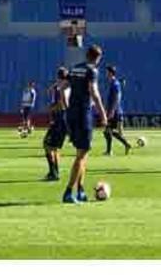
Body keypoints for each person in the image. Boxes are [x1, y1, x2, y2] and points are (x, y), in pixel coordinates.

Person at [63, 45, 108, 204]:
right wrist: (103, 114)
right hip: (83, 114)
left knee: (83, 152)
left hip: (72, 114)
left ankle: (80, 190)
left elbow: (63, 88)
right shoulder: (91, 71)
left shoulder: (75, 68)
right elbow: (94, 93)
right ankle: (68, 192)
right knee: (81, 154)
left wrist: (68, 106)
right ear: (98, 58)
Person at [43, 67, 70, 181]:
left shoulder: (60, 89)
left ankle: (53, 172)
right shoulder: (67, 87)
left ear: (58, 77)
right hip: (63, 120)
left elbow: (61, 104)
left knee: (47, 145)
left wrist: (51, 108)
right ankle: (55, 172)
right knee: (55, 148)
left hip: (59, 119)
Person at [103, 65, 132, 156]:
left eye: (107, 72)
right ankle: (123, 145)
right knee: (108, 131)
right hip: (112, 110)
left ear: (110, 73)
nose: (106, 74)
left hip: (115, 111)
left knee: (108, 131)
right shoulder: (113, 83)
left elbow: (117, 98)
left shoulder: (115, 84)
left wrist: (112, 111)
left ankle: (124, 145)